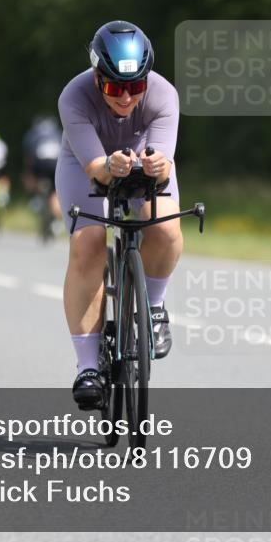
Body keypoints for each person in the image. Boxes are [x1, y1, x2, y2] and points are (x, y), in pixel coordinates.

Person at [57, 21, 182, 409]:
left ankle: (154, 307)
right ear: (97, 77)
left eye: (136, 86)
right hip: (87, 164)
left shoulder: (163, 94)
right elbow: (96, 168)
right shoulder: (74, 96)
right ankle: (87, 367)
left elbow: (164, 161)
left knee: (166, 228)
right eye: (114, 88)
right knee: (89, 243)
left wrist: (157, 166)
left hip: (143, 160)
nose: (126, 97)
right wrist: (109, 166)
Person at [22, 116, 63, 235]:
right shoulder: (58, 133)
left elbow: (28, 155)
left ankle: (36, 198)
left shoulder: (32, 134)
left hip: (39, 163)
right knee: (55, 193)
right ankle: (56, 221)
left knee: (32, 177)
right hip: (56, 162)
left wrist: (29, 174)